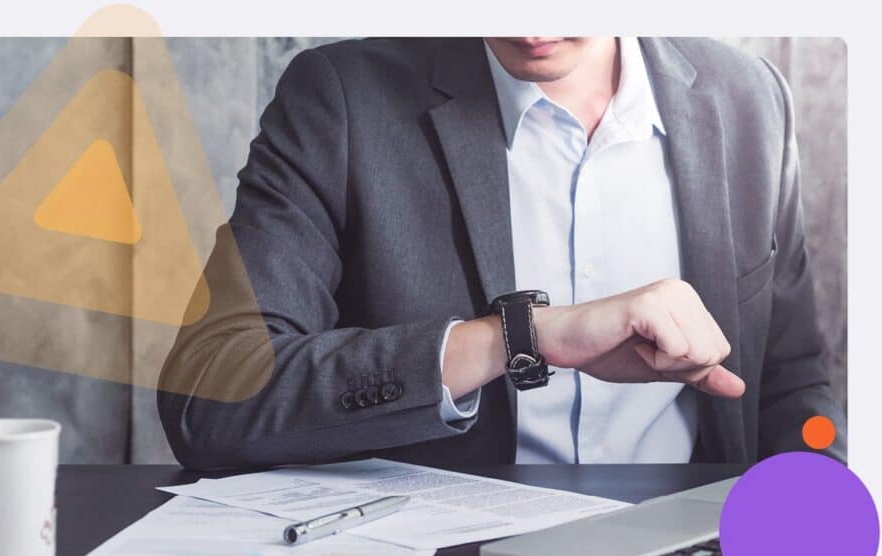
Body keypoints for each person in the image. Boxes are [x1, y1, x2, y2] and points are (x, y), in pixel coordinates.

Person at [157, 37, 846, 470]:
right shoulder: (339, 100)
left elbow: (795, 385)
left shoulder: (752, 100)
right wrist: (521, 337)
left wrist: (821, 489)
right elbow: (209, 395)